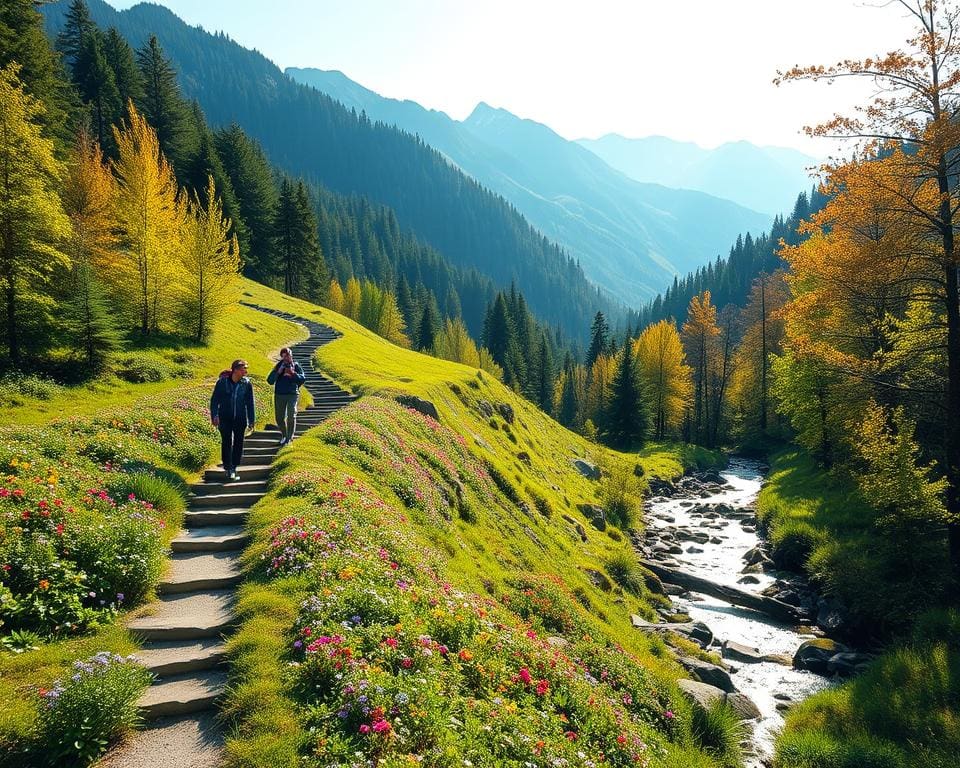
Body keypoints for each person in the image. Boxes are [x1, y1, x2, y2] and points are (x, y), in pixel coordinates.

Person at [210, 359, 255, 481]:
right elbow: (214, 400)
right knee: (226, 441)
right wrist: (214, 415)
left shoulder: (246, 383)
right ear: (235, 370)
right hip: (224, 417)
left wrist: (251, 419)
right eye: (243, 368)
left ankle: (234, 466)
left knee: (239, 442)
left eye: (246, 368)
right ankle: (228, 466)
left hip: (240, 418)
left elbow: (250, 403)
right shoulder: (222, 383)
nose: (246, 370)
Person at [266, 346, 305, 445]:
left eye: (288, 356)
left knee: (291, 415)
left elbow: (302, 379)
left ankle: (289, 438)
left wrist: (293, 374)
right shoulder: (278, 366)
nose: (286, 359)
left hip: (292, 394)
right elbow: (270, 381)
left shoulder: (296, 366)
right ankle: (284, 435)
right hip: (280, 394)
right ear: (282, 357)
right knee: (279, 417)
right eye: (284, 357)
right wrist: (278, 372)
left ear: (291, 356)